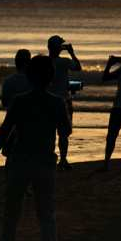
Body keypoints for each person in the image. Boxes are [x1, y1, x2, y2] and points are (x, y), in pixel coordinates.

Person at [0, 54, 67, 241]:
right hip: (45, 160)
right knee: (46, 211)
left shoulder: (20, 101)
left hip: (20, 160)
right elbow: (65, 130)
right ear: (50, 77)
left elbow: (5, 130)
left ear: (30, 76)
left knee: (12, 211)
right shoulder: (57, 102)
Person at [46, 35, 83, 169]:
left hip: (48, 100)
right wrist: (72, 52)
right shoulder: (64, 62)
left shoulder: (44, 62)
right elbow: (78, 67)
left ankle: (49, 158)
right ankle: (63, 160)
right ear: (58, 48)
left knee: (49, 132)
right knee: (63, 134)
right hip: (63, 101)